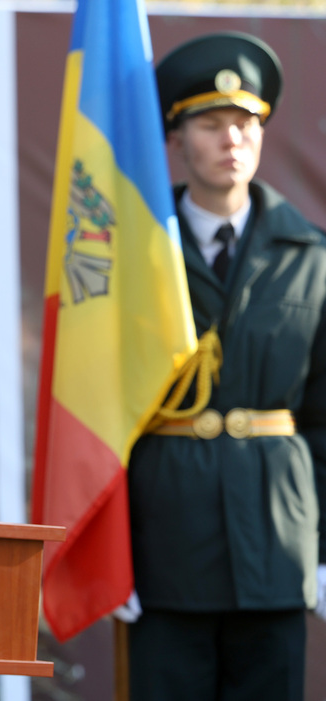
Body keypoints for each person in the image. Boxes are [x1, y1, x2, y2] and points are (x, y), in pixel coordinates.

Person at [127, 32, 326, 701]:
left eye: (245, 123)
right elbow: (100, 408)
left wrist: (323, 546)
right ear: (177, 137)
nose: (231, 139)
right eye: (210, 124)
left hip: (277, 538)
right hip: (166, 544)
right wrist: (109, 553)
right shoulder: (136, 253)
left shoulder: (311, 254)